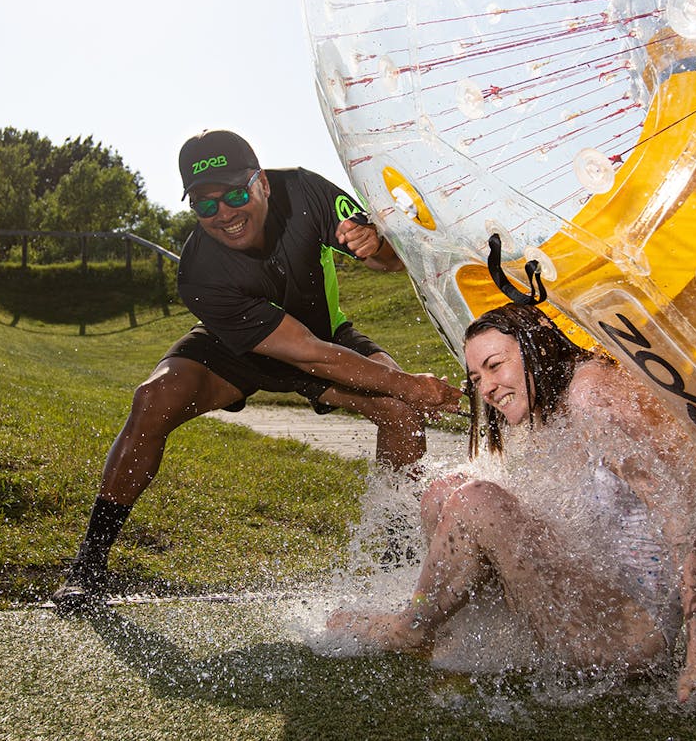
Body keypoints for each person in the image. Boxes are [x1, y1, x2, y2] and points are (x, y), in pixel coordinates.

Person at [52, 129, 462, 610]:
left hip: (322, 335)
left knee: (399, 412)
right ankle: (89, 565)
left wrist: (378, 246)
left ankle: (397, 564)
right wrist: (410, 382)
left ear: (262, 183)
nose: (224, 214)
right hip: (243, 349)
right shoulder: (199, 273)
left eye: (235, 194)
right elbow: (302, 353)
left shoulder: (309, 191)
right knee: (153, 398)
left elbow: (390, 265)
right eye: (206, 206)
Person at [325, 302, 696, 716]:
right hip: (592, 596)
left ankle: (413, 627)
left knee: (475, 501)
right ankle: (449, 631)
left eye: (495, 366)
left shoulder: (595, 400)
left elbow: (684, 520)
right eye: (476, 378)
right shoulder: (558, 393)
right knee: (446, 491)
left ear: (535, 347)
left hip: (630, 633)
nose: (486, 387)